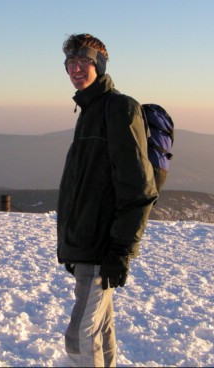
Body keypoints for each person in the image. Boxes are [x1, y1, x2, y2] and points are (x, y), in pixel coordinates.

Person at [57, 33, 158, 367]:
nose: (75, 68)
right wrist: (72, 245)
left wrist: (120, 252)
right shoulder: (89, 110)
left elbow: (138, 188)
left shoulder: (119, 108)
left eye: (83, 61)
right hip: (87, 245)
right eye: (70, 62)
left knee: (79, 339)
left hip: (103, 248)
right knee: (100, 331)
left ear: (99, 65)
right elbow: (85, 187)